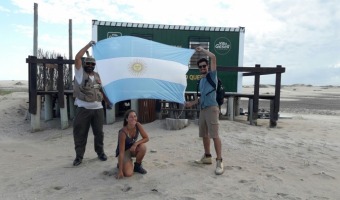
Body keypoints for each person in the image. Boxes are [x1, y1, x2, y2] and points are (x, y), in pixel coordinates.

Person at [185, 46, 224, 175]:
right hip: (202, 110)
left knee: (215, 135)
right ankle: (207, 157)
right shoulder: (201, 81)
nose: (202, 68)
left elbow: (213, 57)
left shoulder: (212, 75)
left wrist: (202, 50)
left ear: (207, 66)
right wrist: (192, 103)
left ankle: (219, 161)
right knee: (204, 135)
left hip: (212, 109)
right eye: (200, 67)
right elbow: (202, 97)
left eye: (204, 66)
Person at [72, 41, 107, 166]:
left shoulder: (97, 76)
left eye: (92, 64)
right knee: (80, 133)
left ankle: (100, 152)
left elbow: (101, 89)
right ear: (84, 64)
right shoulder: (80, 73)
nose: (90, 66)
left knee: (99, 133)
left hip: (98, 109)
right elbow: (77, 57)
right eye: (88, 63)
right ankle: (79, 157)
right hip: (83, 109)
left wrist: (107, 101)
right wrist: (88, 46)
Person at [115, 109, 149, 179]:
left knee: (143, 147)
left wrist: (135, 144)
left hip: (132, 149)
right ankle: (121, 164)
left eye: (135, 116)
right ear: (127, 119)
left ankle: (137, 166)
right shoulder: (122, 133)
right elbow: (121, 153)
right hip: (124, 152)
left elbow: (146, 138)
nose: (133, 118)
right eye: (131, 117)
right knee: (128, 174)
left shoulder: (138, 125)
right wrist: (120, 171)